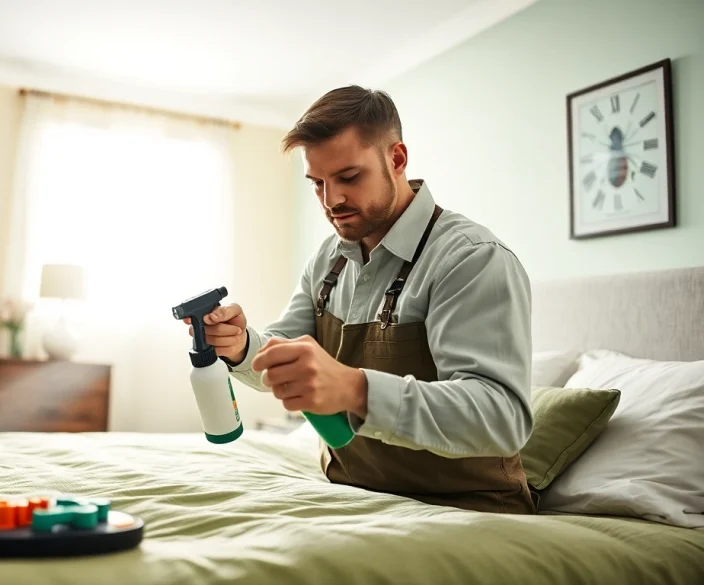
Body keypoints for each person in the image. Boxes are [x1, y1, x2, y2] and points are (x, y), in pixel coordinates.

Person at [187, 85, 536, 514]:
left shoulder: (470, 259)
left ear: (397, 159)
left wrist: (355, 389)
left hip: (461, 511)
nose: (332, 201)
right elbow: (286, 356)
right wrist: (241, 346)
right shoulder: (329, 259)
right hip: (355, 498)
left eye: (349, 178)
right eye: (318, 184)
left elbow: (502, 419)